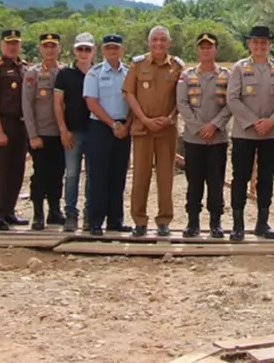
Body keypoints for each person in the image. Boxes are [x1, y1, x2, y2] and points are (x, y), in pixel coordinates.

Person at [225, 25, 274, 241]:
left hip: (270, 134)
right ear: (249, 44)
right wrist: (253, 122)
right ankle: (238, 225)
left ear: (270, 45)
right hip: (244, 133)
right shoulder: (239, 68)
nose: (259, 46)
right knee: (240, 177)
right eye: (255, 42)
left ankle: (262, 223)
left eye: (264, 42)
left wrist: (271, 121)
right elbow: (232, 98)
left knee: (266, 178)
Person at [123, 25, 182, 237]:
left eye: (162, 40)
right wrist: (145, 120)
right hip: (142, 129)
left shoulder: (177, 67)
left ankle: (164, 221)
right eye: (155, 39)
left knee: (165, 177)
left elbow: (180, 98)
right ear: (149, 42)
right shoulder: (138, 64)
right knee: (141, 176)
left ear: (169, 43)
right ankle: (139, 221)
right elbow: (129, 94)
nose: (158, 43)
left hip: (166, 130)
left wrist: (169, 118)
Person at [177, 32, 232, 238]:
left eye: (210, 47)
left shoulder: (226, 75)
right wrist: (200, 127)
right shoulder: (187, 75)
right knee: (194, 181)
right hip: (194, 138)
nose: (206, 50)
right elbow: (182, 103)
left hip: (217, 139)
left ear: (215, 50)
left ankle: (215, 223)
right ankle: (193, 222)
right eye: (202, 47)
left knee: (216, 181)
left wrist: (214, 126)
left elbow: (230, 103)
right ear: (197, 50)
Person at [83, 33, 132, 236]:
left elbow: (134, 102)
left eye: (116, 47)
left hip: (124, 128)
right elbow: (91, 103)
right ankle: (95, 222)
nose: (112, 51)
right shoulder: (94, 73)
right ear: (102, 50)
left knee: (118, 175)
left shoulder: (129, 73)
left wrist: (126, 126)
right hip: (100, 128)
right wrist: (113, 124)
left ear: (122, 50)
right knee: (98, 176)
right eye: (108, 47)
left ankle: (115, 220)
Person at [0, 29, 30, 229]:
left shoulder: (24, 67)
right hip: (4, 122)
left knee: (17, 169)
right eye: (9, 43)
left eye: (16, 43)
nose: (12, 47)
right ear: (1, 44)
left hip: (22, 124)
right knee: (0, 171)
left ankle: (10, 211)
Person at [22, 32, 66, 230]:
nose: (50, 50)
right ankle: (38, 213)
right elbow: (27, 106)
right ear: (40, 49)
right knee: (40, 175)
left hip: (61, 134)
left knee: (58, 174)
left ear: (59, 48)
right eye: (46, 46)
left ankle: (55, 211)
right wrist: (32, 135)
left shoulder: (65, 72)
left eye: (53, 46)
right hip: (41, 134)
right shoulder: (32, 74)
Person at [54, 32, 96, 232]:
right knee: (71, 175)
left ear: (94, 51)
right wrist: (63, 129)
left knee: (92, 175)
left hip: (95, 131)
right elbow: (57, 104)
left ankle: (90, 213)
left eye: (88, 49)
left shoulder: (98, 73)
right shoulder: (64, 74)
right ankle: (71, 213)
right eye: (80, 49)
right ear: (74, 51)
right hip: (73, 132)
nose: (84, 53)